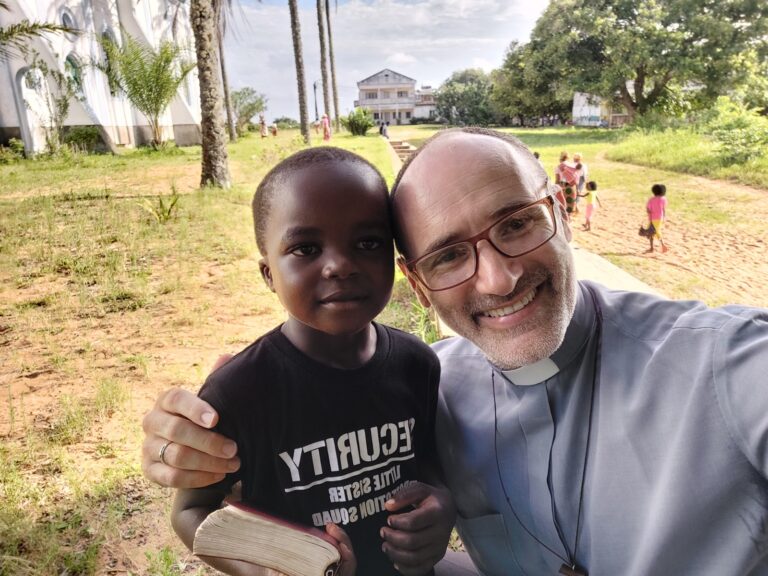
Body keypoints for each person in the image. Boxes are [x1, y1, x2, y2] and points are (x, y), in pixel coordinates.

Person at [142, 128, 768, 575]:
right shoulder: (443, 381)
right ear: (417, 283)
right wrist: (184, 444)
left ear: (561, 211)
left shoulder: (723, 364)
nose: (498, 278)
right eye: (447, 256)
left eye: (516, 223)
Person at [170, 147, 452, 576]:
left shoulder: (417, 364)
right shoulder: (239, 392)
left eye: (368, 242)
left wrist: (441, 505)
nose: (340, 265)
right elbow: (191, 510)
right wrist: (266, 567)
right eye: (305, 248)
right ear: (269, 274)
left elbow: (429, 467)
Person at [646, 183, 668, 253]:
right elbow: (663, 209)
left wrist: (649, 212)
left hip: (652, 218)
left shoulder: (651, 200)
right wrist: (664, 217)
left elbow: (648, 210)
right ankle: (654, 247)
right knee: (656, 231)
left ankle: (659, 246)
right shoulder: (663, 199)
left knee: (652, 232)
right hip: (660, 218)